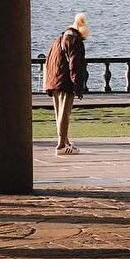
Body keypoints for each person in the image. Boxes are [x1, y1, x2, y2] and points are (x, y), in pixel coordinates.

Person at [43, 12, 89, 155]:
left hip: (55, 80)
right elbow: (75, 65)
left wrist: (48, 83)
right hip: (65, 82)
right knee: (64, 113)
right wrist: (78, 86)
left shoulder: (59, 39)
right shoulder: (75, 41)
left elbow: (48, 60)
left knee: (59, 113)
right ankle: (61, 145)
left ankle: (65, 141)